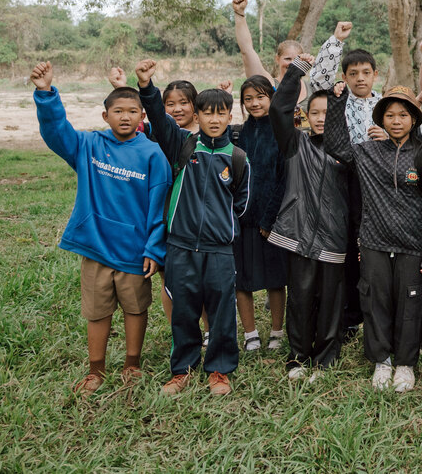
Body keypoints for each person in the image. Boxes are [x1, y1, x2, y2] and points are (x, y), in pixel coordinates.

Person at [31, 61, 170, 395]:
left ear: (142, 117)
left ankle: (132, 363)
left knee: (136, 310)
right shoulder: (88, 146)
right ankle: (96, 370)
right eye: (118, 111)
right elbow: (56, 132)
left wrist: (153, 248)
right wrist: (45, 93)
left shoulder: (152, 154)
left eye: (133, 111)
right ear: (104, 116)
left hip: (135, 253)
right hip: (96, 248)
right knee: (97, 312)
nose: (125, 117)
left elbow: (159, 207)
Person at [136, 59, 249, 397]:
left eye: (221, 113)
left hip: (218, 250)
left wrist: (220, 230)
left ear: (230, 117)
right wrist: (147, 86)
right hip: (181, 246)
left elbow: (241, 205)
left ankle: (219, 370)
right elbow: (158, 116)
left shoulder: (238, 158)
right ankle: (182, 369)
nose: (214, 120)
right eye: (207, 114)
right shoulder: (183, 145)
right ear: (196, 117)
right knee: (183, 310)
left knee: (221, 311)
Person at [324, 83, 422, 393]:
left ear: (414, 119)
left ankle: (404, 364)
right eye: (390, 115)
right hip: (374, 241)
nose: (397, 120)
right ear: (380, 119)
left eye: (403, 115)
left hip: (413, 243)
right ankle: (381, 361)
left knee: (410, 304)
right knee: (375, 300)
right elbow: (336, 144)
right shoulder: (367, 152)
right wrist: (336, 104)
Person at [264, 59, 351, 380]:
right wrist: (296, 70)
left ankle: (326, 359)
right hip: (297, 233)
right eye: (314, 113)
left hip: (333, 235)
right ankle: (298, 357)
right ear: (305, 115)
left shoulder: (347, 152)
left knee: (330, 301)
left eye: (328, 113)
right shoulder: (295, 143)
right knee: (299, 299)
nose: (320, 119)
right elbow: (277, 110)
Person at [323, 36, 385, 343]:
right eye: (353, 73)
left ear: (375, 73)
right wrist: (336, 41)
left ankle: (376, 312)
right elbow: (319, 78)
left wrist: (386, 135)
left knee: (372, 250)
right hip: (345, 181)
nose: (360, 78)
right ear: (345, 78)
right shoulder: (338, 102)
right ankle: (348, 318)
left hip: (380, 186)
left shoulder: (387, 104)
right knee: (348, 247)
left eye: (365, 72)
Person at [230, 75, 288, 353]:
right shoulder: (237, 133)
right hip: (241, 220)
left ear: (272, 98)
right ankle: (250, 332)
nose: (254, 103)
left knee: (275, 279)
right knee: (242, 279)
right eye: (248, 98)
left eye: (260, 97)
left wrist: (270, 219)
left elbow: (283, 180)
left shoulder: (281, 132)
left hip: (272, 222)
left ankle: (277, 331)